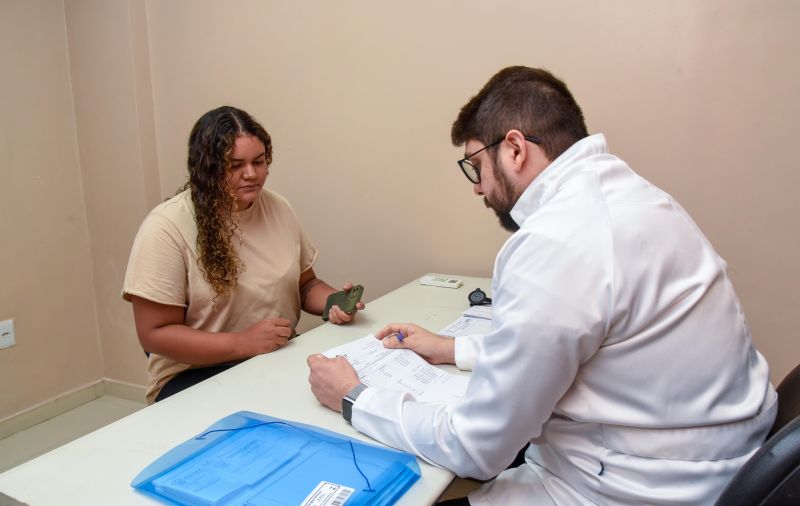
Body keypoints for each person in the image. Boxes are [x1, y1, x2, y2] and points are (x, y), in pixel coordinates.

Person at [307, 67, 776, 504]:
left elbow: (476, 447)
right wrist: (453, 349)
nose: (477, 187)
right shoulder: (635, 199)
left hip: (635, 489)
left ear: (514, 148)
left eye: (475, 165)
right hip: (717, 463)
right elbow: (578, 345)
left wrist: (354, 397)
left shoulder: (556, 241)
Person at [124, 106, 364, 404]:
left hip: (272, 358)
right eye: (235, 165)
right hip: (194, 375)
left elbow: (305, 286)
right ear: (207, 167)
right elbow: (154, 333)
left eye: (258, 162)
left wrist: (334, 303)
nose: (251, 174)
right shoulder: (166, 227)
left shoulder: (278, 207)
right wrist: (241, 343)